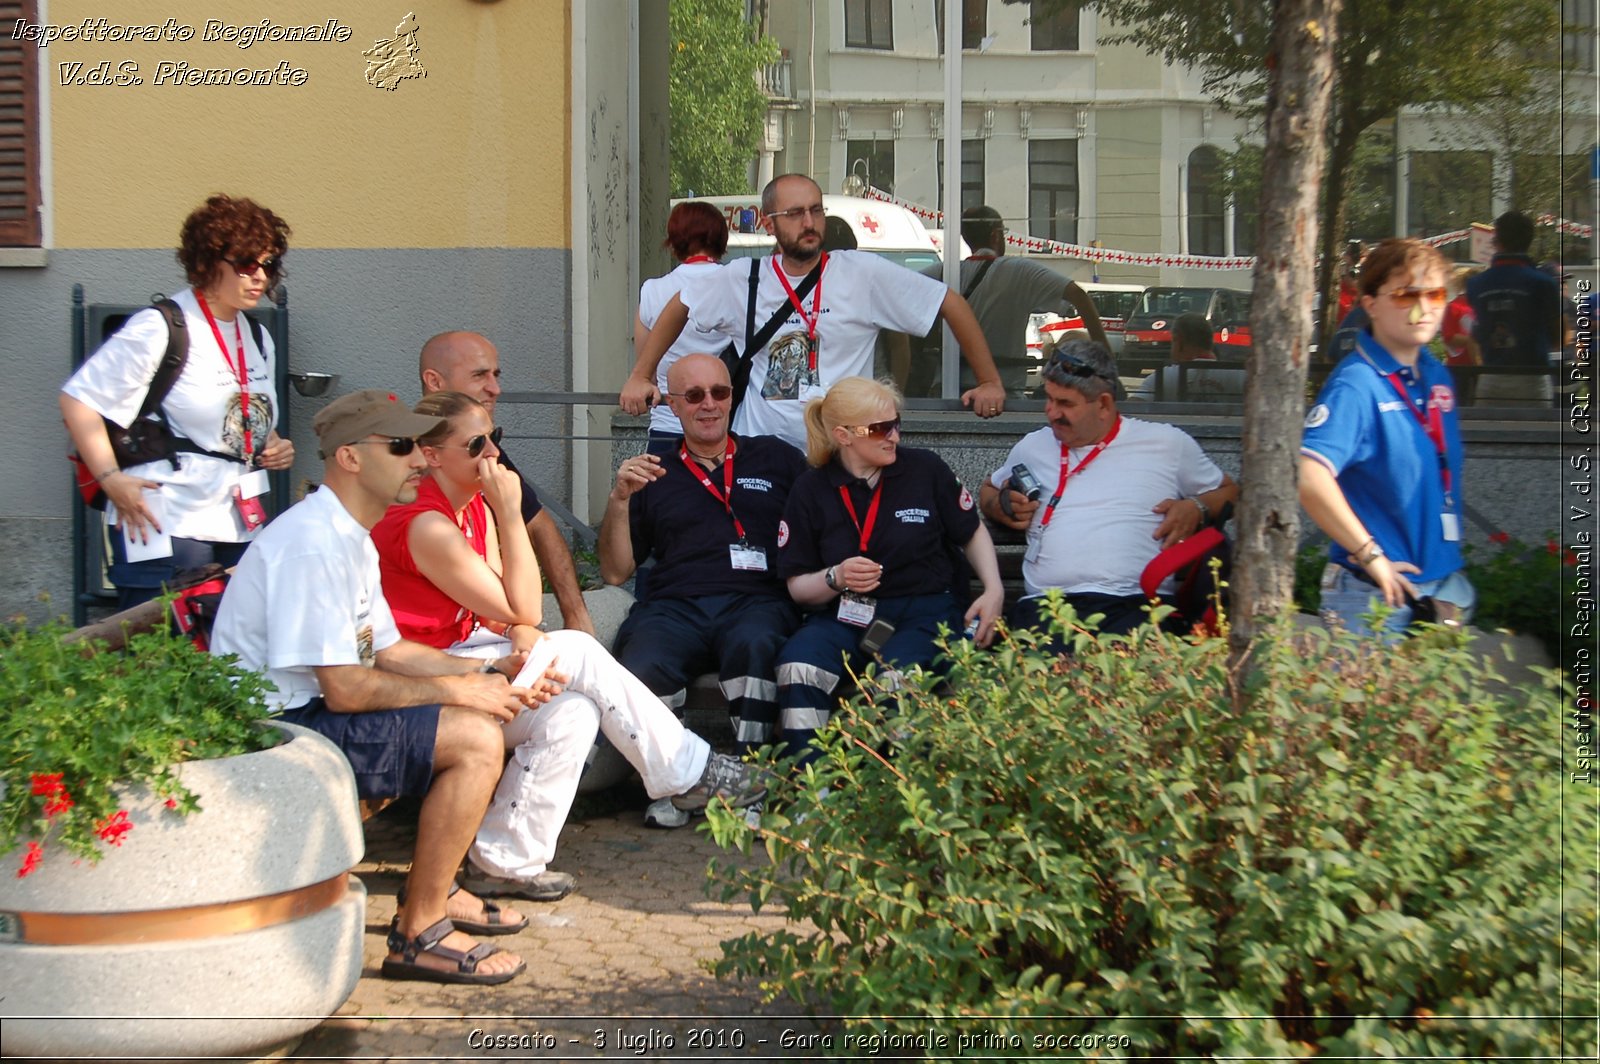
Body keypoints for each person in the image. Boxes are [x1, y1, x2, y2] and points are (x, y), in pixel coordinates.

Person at [210, 389, 563, 986]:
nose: (421, 460)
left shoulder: (348, 530)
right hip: (278, 732)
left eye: (422, 447)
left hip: (309, 713)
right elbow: (348, 688)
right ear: (348, 458)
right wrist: (462, 693)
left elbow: (390, 651)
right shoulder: (315, 544)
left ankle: (433, 895)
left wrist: (482, 673)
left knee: (476, 719)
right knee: (475, 740)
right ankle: (420, 930)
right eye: (401, 447)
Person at [369, 391, 767, 889]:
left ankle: (505, 864)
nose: (493, 454)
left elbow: (512, 611)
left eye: (497, 438)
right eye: (476, 445)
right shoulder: (428, 523)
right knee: (578, 648)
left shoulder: (470, 504)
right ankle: (688, 771)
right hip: (426, 681)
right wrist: (511, 515)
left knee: (572, 713)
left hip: (473, 657)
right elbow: (523, 602)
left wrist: (521, 634)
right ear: (432, 456)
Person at [621, 173, 1008, 451]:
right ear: (769, 224)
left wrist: (989, 381)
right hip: (763, 451)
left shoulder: (862, 273)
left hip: (843, 448)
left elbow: (949, 303)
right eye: (795, 214)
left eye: (816, 211)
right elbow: (680, 306)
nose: (809, 222)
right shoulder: (744, 277)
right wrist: (641, 375)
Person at [598, 354, 805, 826]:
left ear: (733, 396)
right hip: (676, 606)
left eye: (720, 392)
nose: (709, 404)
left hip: (757, 599)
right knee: (643, 661)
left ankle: (751, 781)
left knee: (757, 645)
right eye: (693, 396)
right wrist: (618, 500)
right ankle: (676, 784)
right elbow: (615, 572)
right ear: (673, 405)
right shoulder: (652, 473)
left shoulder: (776, 457)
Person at [60, 194, 296, 607]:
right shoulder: (161, 327)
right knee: (164, 651)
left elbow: (243, 414)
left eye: (269, 264)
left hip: (237, 522)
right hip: (166, 518)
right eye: (246, 263)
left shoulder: (256, 336)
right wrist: (111, 479)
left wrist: (272, 443)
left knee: (228, 653)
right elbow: (78, 400)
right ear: (208, 262)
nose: (259, 276)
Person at [774, 377, 1004, 761]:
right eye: (880, 429)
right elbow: (798, 586)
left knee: (896, 681)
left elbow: (971, 531)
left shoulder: (924, 470)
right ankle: (811, 793)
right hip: (847, 614)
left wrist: (993, 590)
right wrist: (836, 577)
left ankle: (893, 794)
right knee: (798, 666)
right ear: (843, 435)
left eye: (896, 423)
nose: (894, 436)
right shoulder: (811, 489)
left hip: (926, 611)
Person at [983, 339, 1238, 640]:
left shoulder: (1166, 444)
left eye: (1065, 404)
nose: (1051, 413)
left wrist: (1198, 507)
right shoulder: (1034, 445)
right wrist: (1000, 504)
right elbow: (987, 490)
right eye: (1049, 399)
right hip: (1046, 610)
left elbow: (1232, 492)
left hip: (1137, 608)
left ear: (1103, 404)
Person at [1300, 237, 1474, 637]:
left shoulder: (1435, 374)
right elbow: (1309, 477)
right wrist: (1370, 555)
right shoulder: (1357, 384)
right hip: (1373, 594)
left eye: (1434, 293)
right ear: (1371, 304)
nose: (1423, 307)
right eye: (1404, 294)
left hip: (1444, 588)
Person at [419, 331, 596, 635]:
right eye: (479, 375)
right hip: (430, 655)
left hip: (477, 638)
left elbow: (538, 525)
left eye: (493, 438)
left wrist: (576, 617)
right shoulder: (404, 478)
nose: (495, 388)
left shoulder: (483, 469)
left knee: (579, 652)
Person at [911, 204, 1109, 397]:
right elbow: (1079, 296)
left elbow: (901, 294)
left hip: (947, 392)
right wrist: (1106, 366)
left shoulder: (943, 273)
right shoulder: (1021, 271)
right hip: (1004, 393)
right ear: (996, 235)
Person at [632, 202, 731, 440]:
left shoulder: (652, 290)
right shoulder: (736, 286)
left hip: (668, 419)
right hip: (724, 422)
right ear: (721, 238)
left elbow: (648, 369)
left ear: (674, 240)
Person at [1468, 211, 1561, 404]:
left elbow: (1475, 334)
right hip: (1533, 379)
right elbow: (1559, 336)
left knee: (1488, 434)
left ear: (1496, 241)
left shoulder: (1476, 284)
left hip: (1491, 378)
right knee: (1537, 433)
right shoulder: (1544, 284)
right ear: (1529, 241)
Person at [1133, 312, 1245, 401]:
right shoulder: (1239, 376)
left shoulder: (1162, 378)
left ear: (1178, 340)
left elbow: (1133, 408)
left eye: (1173, 342)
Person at [1440, 264, 1482, 406]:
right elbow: (1449, 337)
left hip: (1482, 367)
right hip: (1459, 368)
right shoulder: (1454, 307)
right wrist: (1473, 341)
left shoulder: (1482, 305)